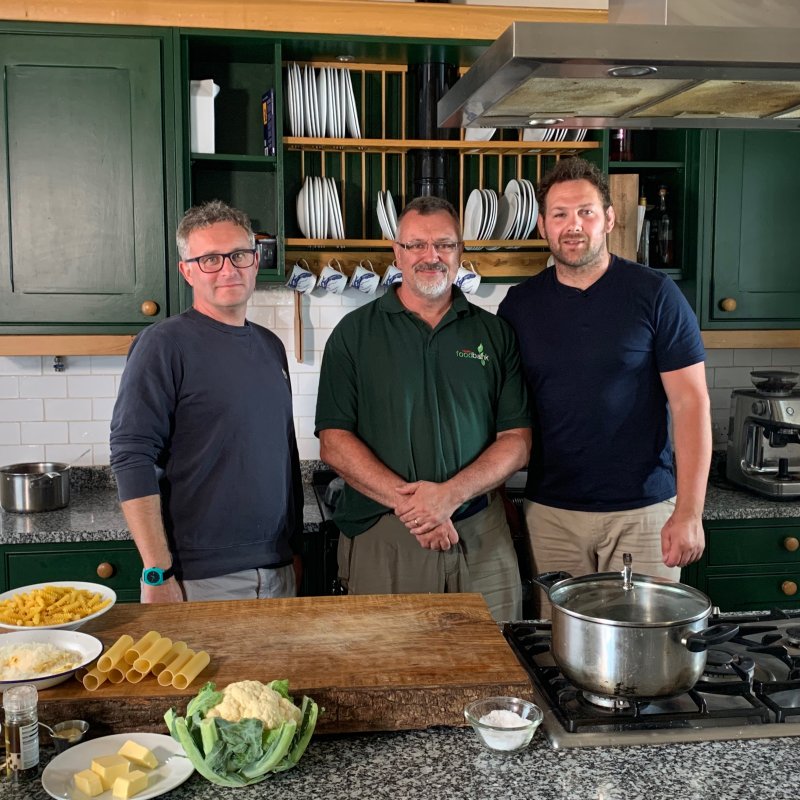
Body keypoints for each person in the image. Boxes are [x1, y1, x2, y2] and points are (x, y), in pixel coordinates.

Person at [498, 157, 711, 618]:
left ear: (609, 219)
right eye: (559, 214)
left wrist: (689, 513)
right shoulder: (519, 305)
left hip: (645, 514)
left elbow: (691, 404)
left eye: (586, 212)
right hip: (551, 514)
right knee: (562, 657)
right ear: (542, 225)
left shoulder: (656, 294)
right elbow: (502, 408)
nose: (573, 226)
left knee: (645, 653)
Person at [314, 195, 531, 621]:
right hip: (385, 535)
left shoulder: (494, 333)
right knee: (388, 675)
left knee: (495, 668)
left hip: (481, 535)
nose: (430, 256)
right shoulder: (354, 335)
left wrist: (448, 497)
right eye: (416, 245)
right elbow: (334, 443)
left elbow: (517, 442)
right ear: (397, 251)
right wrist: (418, 509)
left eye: (444, 244)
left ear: (460, 251)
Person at [110, 200, 302, 603]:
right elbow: (132, 456)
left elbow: (284, 453)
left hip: (277, 569)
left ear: (255, 260)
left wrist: (293, 550)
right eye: (210, 259)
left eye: (238, 255)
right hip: (200, 580)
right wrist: (156, 573)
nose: (229, 269)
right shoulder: (163, 345)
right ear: (187, 271)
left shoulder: (271, 346)